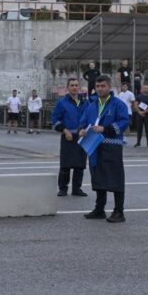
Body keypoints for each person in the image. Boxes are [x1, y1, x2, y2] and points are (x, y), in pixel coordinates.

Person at [77, 75, 131, 223]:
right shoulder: (91, 105)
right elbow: (83, 121)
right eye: (98, 86)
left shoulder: (118, 104)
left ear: (109, 87)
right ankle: (99, 209)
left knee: (116, 179)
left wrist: (105, 129)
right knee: (98, 178)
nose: (100, 88)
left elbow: (124, 122)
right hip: (94, 146)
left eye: (103, 86)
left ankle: (119, 212)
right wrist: (81, 129)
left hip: (111, 146)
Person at [51, 77, 88, 197]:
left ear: (79, 88)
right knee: (65, 165)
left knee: (80, 165)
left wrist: (85, 129)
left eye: (76, 85)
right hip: (68, 137)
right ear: (68, 88)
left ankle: (77, 189)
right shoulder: (61, 103)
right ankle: (63, 188)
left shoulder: (85, 103)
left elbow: (90, 118)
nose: (74, 87)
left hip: (82, 137)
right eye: (72, 85)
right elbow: (55, 120)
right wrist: (65, 131)